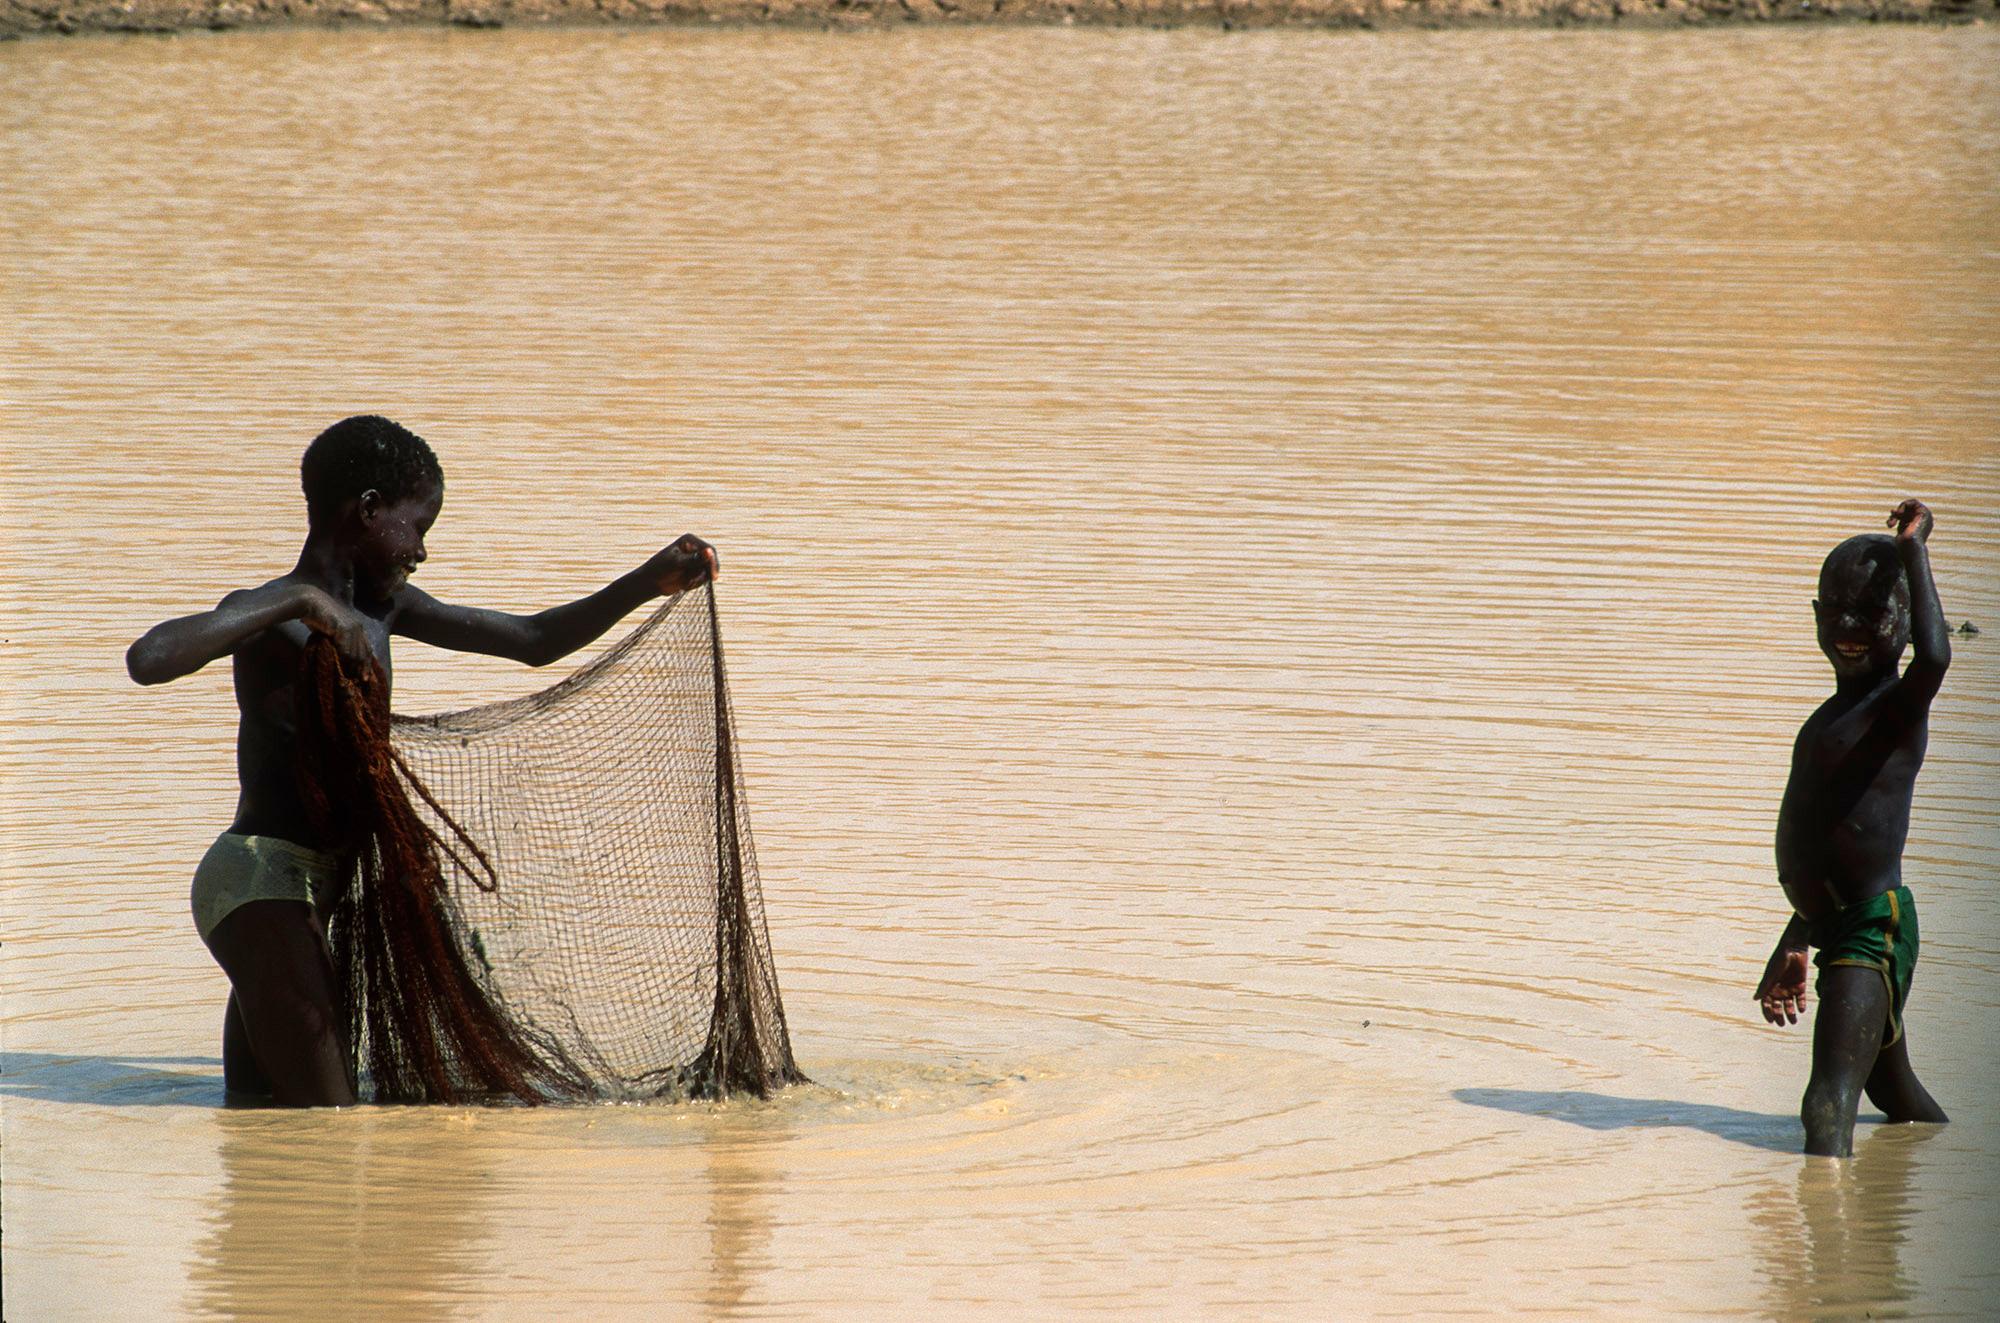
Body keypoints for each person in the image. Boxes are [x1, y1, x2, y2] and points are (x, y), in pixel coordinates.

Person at [127, 416, 716, 1107]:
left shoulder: (389, 609)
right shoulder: (269, 613)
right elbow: (150, 658)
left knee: (263, 1126)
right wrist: (301, 600)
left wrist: (648, 581)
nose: (423, 551)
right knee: (331, 1128)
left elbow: (534, 638)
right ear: (369, 510)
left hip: (312, 901)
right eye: (418, 526)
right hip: (261, 885)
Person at [1753, 499, 1951, 1157]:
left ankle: (1833, 1256)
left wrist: (1916, 552)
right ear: (1813, 617)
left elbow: (1934, 659)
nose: (1849, 627)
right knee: (1897, 1100)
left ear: (1901, 623)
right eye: (1835, 611)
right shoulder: (1829, 717)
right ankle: (1955, 1159)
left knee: (1827, 1102)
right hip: (1840, 923)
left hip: (1874, 926)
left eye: (1870, 614)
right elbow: (1824, 842)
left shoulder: (1895, 711)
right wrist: (1798, 936)